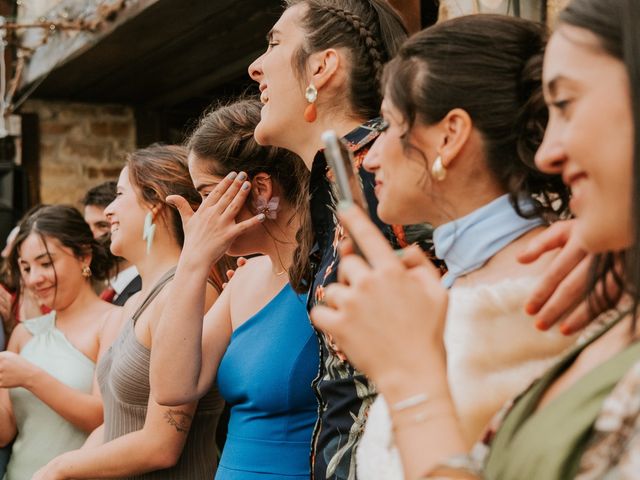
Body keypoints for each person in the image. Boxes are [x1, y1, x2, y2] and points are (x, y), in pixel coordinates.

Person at [311, 0, 640, 478]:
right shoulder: (591, 285)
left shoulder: (533, 300)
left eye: (391, 126)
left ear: (450, 137)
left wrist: (412, 383)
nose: (372, 156)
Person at [247, 2, 432, 477]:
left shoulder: (380, 172)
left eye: (273, 43)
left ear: (322, 67)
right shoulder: (337, 178)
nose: (255, 67)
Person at [33, 145, 225, 479]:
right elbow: (112, 424)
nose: (108, 211)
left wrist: (61, 468)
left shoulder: (190, 296)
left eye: (120, 194)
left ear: (154, 204)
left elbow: (161, 445)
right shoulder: (134, 301)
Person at [150, 99, 319, 479]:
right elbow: (172, 386)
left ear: (260, 189)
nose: (203, 213)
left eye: (208, 194)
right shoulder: (244, 278)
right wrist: (192, 261)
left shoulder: (326, 274)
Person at [0, 205, 119, 480]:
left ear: (83, 256)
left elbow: (104, 419)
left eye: (45, 263)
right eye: (26, 268)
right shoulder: (23, 333)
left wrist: (30, 377)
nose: (33, 279)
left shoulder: (114, 322)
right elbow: (5, 432)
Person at [82, 181, 142, 306]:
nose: (90, 236)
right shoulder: (107, 291)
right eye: (86, 227)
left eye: (102, 225)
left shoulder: (143, 290)